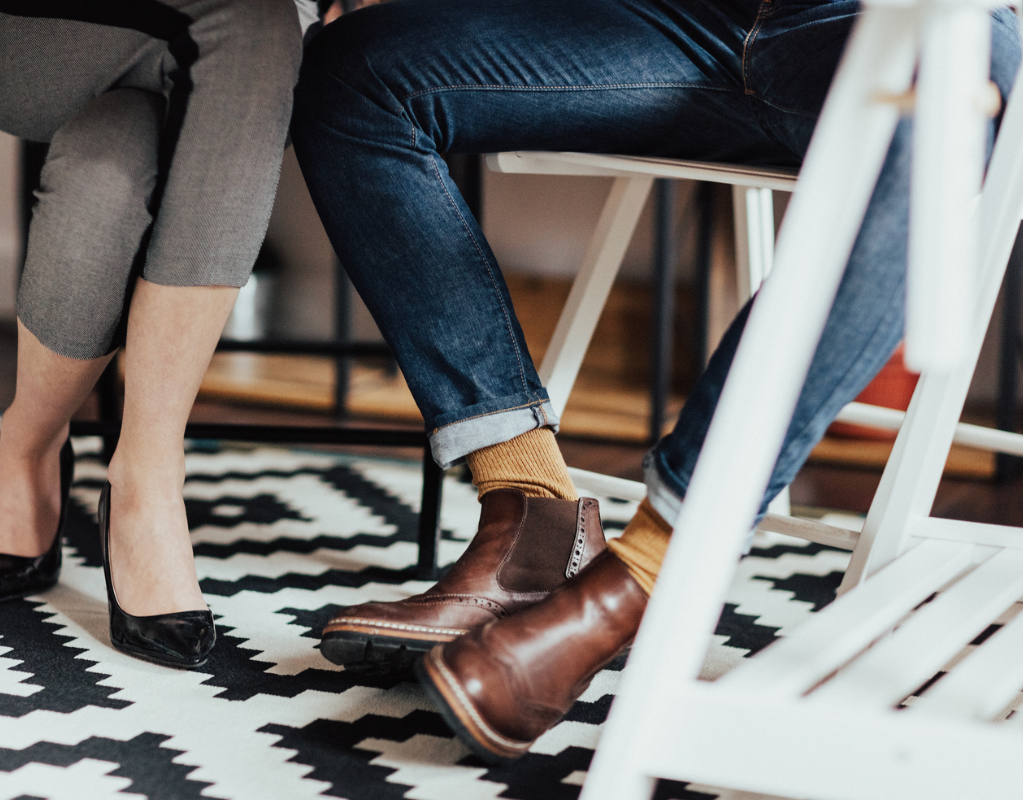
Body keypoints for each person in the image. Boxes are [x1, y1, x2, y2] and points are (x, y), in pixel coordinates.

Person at [290, 0, 1022, 761]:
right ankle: (532, 515)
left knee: (937, 106)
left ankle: (644, 575)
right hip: (679, 21)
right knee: (357, 71)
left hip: (885, 26)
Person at [0, 0, 305, 669]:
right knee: (253, 24)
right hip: (17, 27)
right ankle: (146, 475)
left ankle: (29, 449)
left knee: (111, 155)